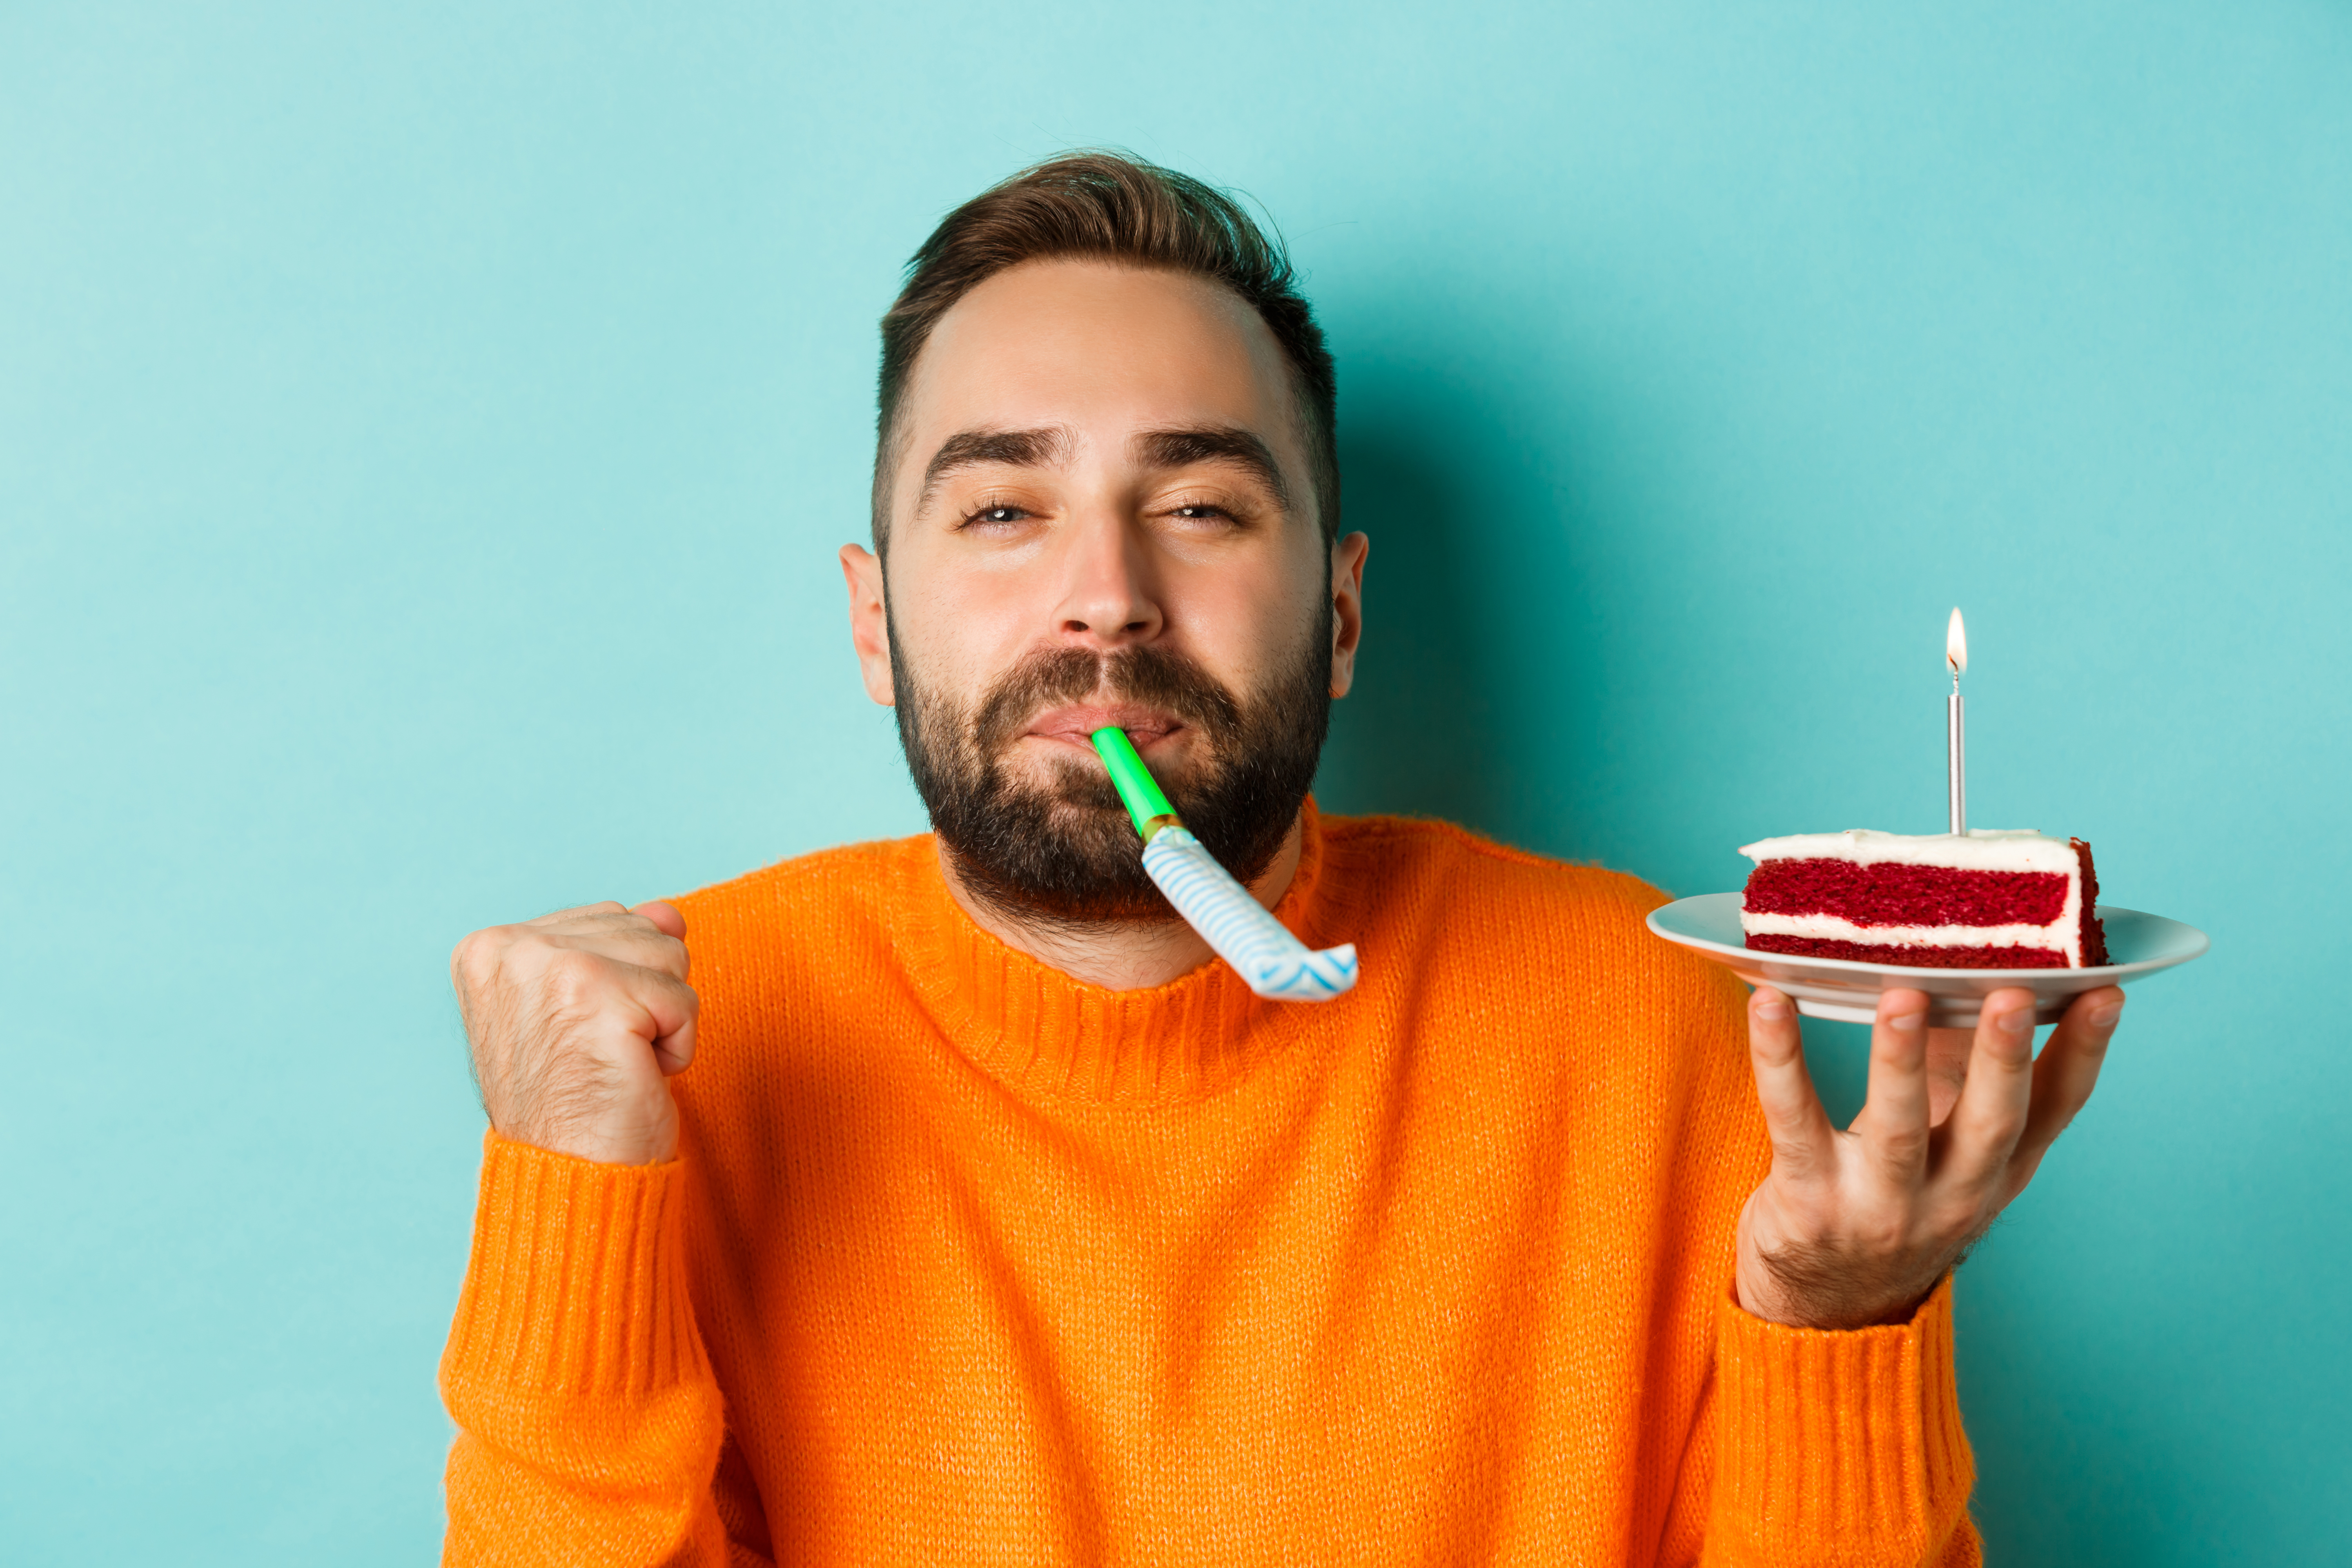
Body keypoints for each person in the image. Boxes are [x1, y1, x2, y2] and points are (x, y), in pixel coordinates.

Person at [439, 153, 2124, 1566]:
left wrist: (1839, 1330)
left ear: (1339, 614)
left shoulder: (1645, 1009)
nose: (1106, 594)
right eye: (1005, 510)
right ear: (876, 623)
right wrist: (569, 1201)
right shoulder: (675, 1054)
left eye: (1202, 506)